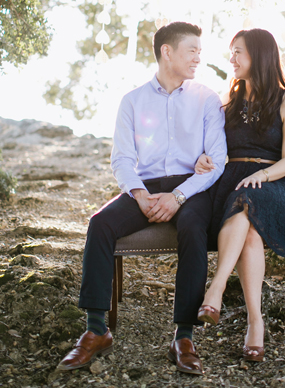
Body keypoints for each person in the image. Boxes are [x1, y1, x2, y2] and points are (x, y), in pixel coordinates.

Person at [57, 21, 227, 375]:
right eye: (191, 50)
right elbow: (120, 159)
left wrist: (178, 196)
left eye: (200, 50)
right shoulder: (132, 101)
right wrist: (139, 193)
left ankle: (184, 336)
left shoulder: (207, 99)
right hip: (144, 185)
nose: (199, 57)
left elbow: (217, 160)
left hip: (190, 185)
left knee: (195, 228)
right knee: (100, 224)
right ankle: (95, 330)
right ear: (167, 51)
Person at [192, 28, 285, 362]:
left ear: (260, 55)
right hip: (231, 181)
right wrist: (201, 157)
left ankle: (217, 289)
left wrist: (261, 175)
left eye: (238, 52)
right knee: (249, 228)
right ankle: (256, 322)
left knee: (249, 202)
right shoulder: (228, 101)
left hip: (272, 181)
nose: (232, 59)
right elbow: (209, 146)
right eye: (231, 52)